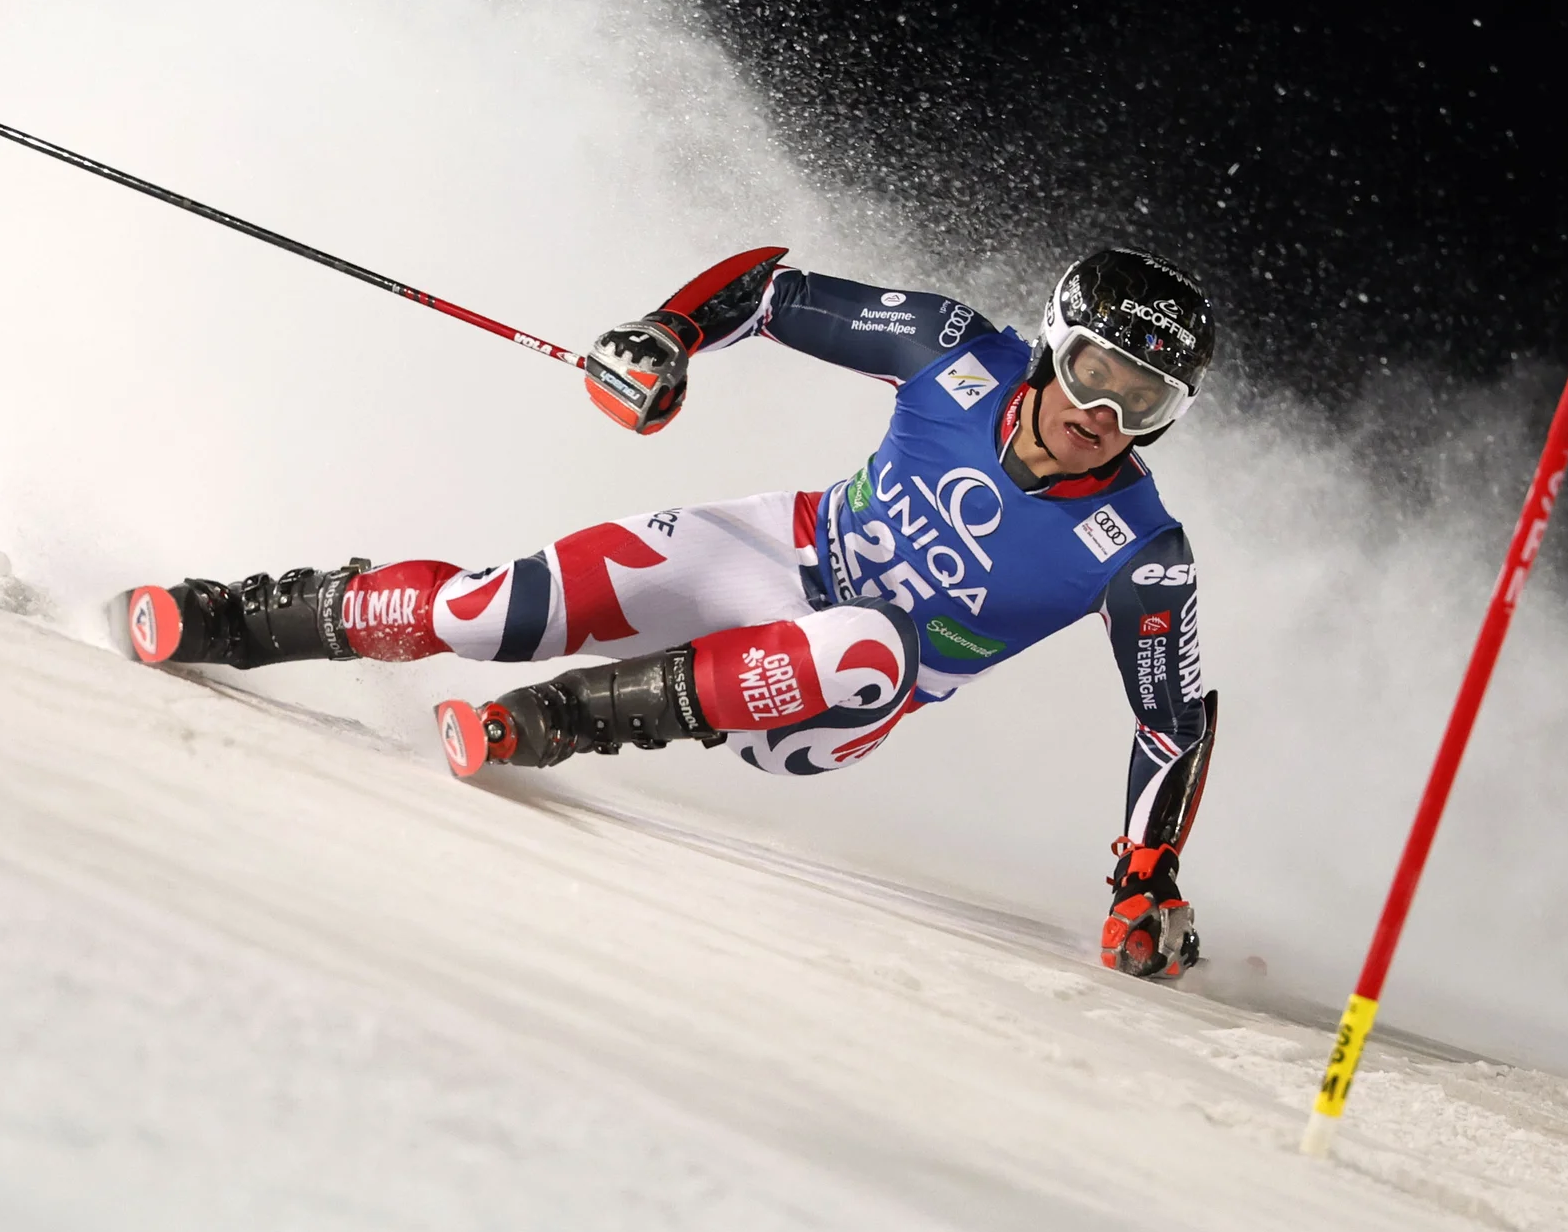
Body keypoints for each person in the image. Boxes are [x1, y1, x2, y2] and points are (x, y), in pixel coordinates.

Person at [115, 247, 1221, 979]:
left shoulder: (1139, 550)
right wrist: (665, 338)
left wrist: (1143, 878)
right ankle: (233, 619)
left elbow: (1174, 724)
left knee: (873, 640)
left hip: (829, 709)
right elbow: (771, 294)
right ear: (1050, 342)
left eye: (1142, 400)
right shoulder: (949, 352)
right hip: (770, 557)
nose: (1099, 412)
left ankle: (558, 721)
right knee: (490, 607)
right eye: (1091, 371)